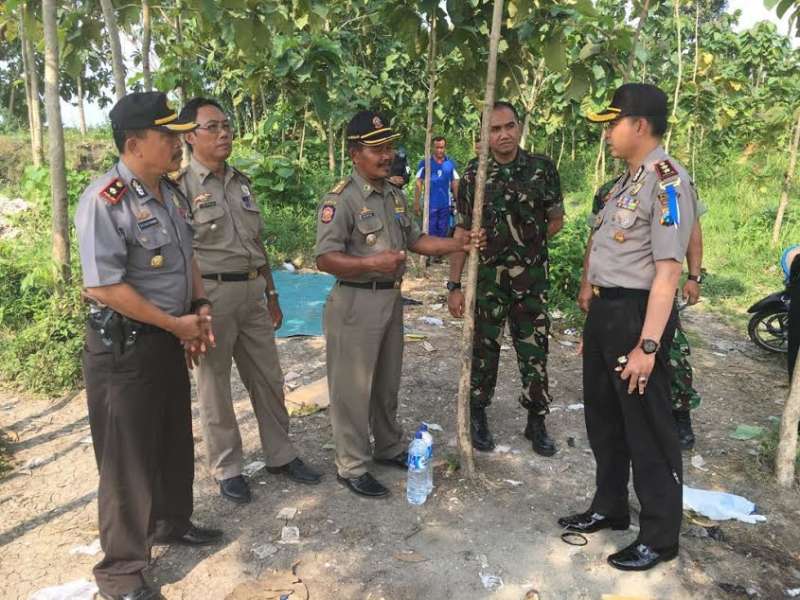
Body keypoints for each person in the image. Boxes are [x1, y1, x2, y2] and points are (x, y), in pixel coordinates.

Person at [75, 91, 223, 600]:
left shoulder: (171, 193)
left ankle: (171, 522)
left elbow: (188, 256)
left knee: (172, 440)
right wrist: (173, 322)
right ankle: (121, 573)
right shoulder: (105, 199)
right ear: (135, 144)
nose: (178, 143)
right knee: (127, 459)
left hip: (167, 337)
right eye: (167, 136)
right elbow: (104, 287)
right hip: (125, 350)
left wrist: (199, 306)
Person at [558, 83, 697, 571]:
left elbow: (667, 272)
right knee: (604, 419)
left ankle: (660, 536)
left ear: (639, 125)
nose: (607, 135)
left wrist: (649, 345)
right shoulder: (625, 181)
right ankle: (609, 506)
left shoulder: (667, 181)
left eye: (612, 124)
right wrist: (592, 318)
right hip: (607, 313)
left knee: (648, 427)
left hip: (640, 315)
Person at [315, 110, 484, 498]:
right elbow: (325, 258)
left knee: (386, 381)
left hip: (390, 301)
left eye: (389, 147)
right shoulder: (341, 199)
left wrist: (460, 243)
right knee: (352, 389)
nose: (386, 155)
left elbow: (418, 240)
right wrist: (372, 263)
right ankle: (352, 464)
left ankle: (388, 445)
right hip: (355, 302)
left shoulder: (394, 195)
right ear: (355, 153)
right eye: (377, 149)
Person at [173, 97, 321, 505]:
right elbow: (181, 258)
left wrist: (273, 292)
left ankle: (281, 454)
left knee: (268, 378)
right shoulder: (180, 189)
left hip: (253, 291)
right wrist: (192, 307)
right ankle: (228, 468)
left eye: (226, 125)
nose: (224, 133)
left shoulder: (240, 182)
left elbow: (256, 242)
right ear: (189, 136)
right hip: (211, 297)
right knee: (214, 386)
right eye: (212, 127)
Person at [447, 101, 564, 457]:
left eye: (509, 126)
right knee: (484, 349)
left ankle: (536, 419)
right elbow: (462, 231)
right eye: (494, 130)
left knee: (534, 351)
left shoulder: (541, 169)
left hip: (531, 281)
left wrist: (528, 241)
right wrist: (454, 285)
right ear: (485, 135)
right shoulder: (472, 176)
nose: (503, 135)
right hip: (488, 282)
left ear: (519, 127)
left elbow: (556, 219)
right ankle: (479, 413)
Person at [581, 179, 706, 450]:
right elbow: (596, 239)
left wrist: (694, 276)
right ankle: (627, 418)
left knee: (671, 353)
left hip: (655, 290)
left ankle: (680, 413)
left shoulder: (670, 184)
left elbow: (691, 231)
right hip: (618, 295)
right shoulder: (610, 190)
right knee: (618, 356)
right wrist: (586, 283)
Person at [414, 136, 460, 239]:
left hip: (445, 205)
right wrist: (416, 203)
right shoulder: (425, 163)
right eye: (437, 147)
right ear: (432, 148)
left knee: (443, 231)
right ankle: (431, 254)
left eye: (442, 147)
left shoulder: (450, 163)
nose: (440, 150)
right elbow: (418, 182)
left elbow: (454, 182)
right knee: (430, 232)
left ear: (445, 148)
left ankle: (440, 254)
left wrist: (457, 201)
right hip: (429, 205)